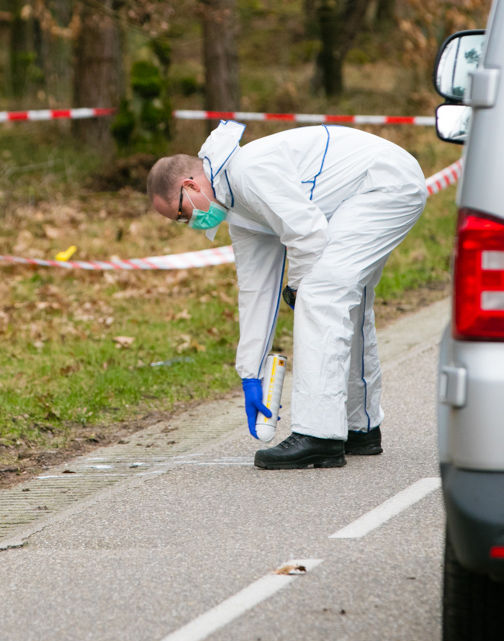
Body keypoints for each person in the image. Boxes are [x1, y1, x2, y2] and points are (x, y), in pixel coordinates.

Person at [147, 121, 427, 469]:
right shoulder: (239, 210)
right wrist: (250, 373)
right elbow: (255, 291)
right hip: (372, 189)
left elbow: (308, 235)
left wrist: (297, 286)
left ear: (190, 186)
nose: (188, 223)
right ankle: (361, 427)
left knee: (321, 294)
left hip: (385, 184)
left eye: (180, 213)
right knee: (344, 300)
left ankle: (319, 435)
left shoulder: (249, 172)